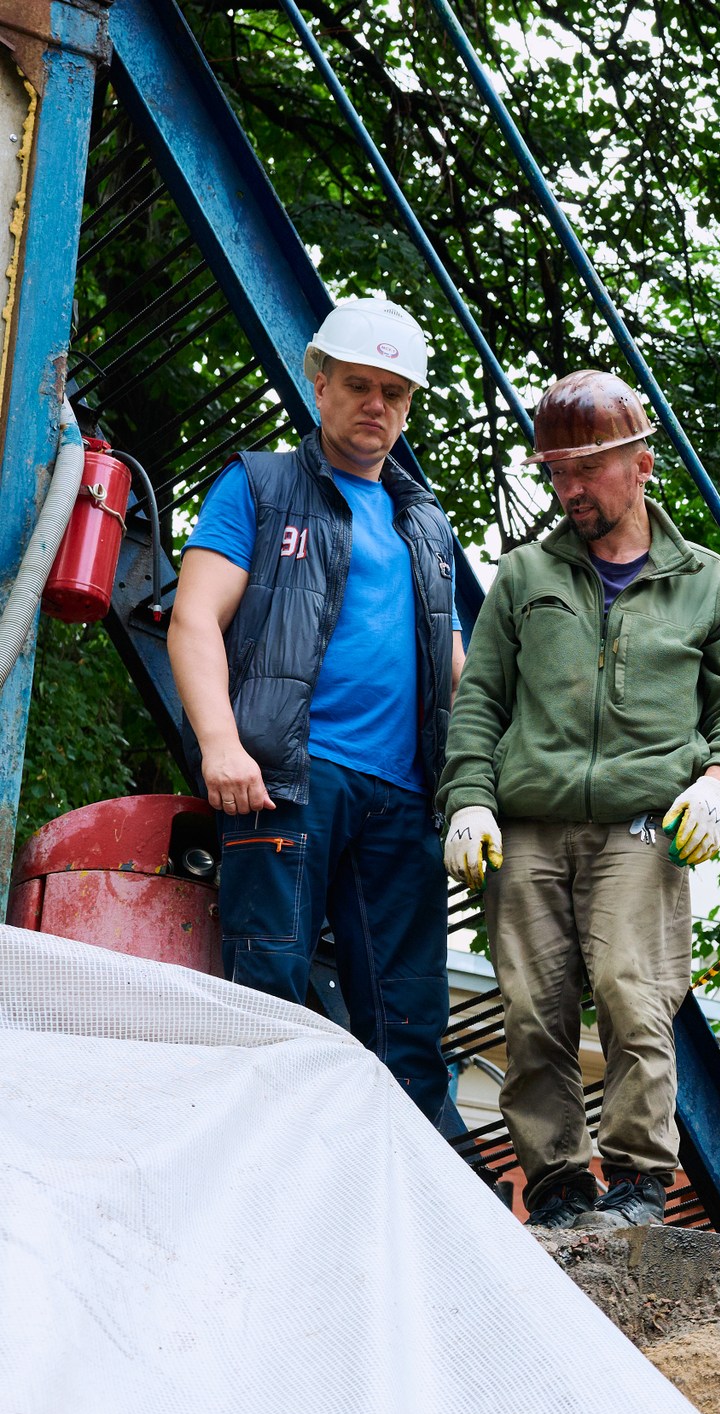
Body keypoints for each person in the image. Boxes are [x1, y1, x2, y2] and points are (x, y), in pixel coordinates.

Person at [437, 371, 720, 1229]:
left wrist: (718, 778)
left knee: (633, 992)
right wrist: (468, 798)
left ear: (642, 463)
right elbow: (482, 701)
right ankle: (553, 1188)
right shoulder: (524, 574)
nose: (570, 489)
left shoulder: (710, 581)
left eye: (587, 468)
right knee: (531, 1007)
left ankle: (637, 1186)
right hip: (529, 824)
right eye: (555, 472)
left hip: (641, 823)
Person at [168, 296, 466, 1126]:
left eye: (396, 393)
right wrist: (220, 743)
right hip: (285, 784)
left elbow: (455, 669)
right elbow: (195, 619)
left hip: (403, 800)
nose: (378, 405)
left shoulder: (425, 523)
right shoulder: (259, 485)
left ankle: (418, 1211)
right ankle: (253, 1197)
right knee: (267, 999)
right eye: (361, 384)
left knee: (410, 1024)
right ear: (320, 380)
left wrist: (472, 791)